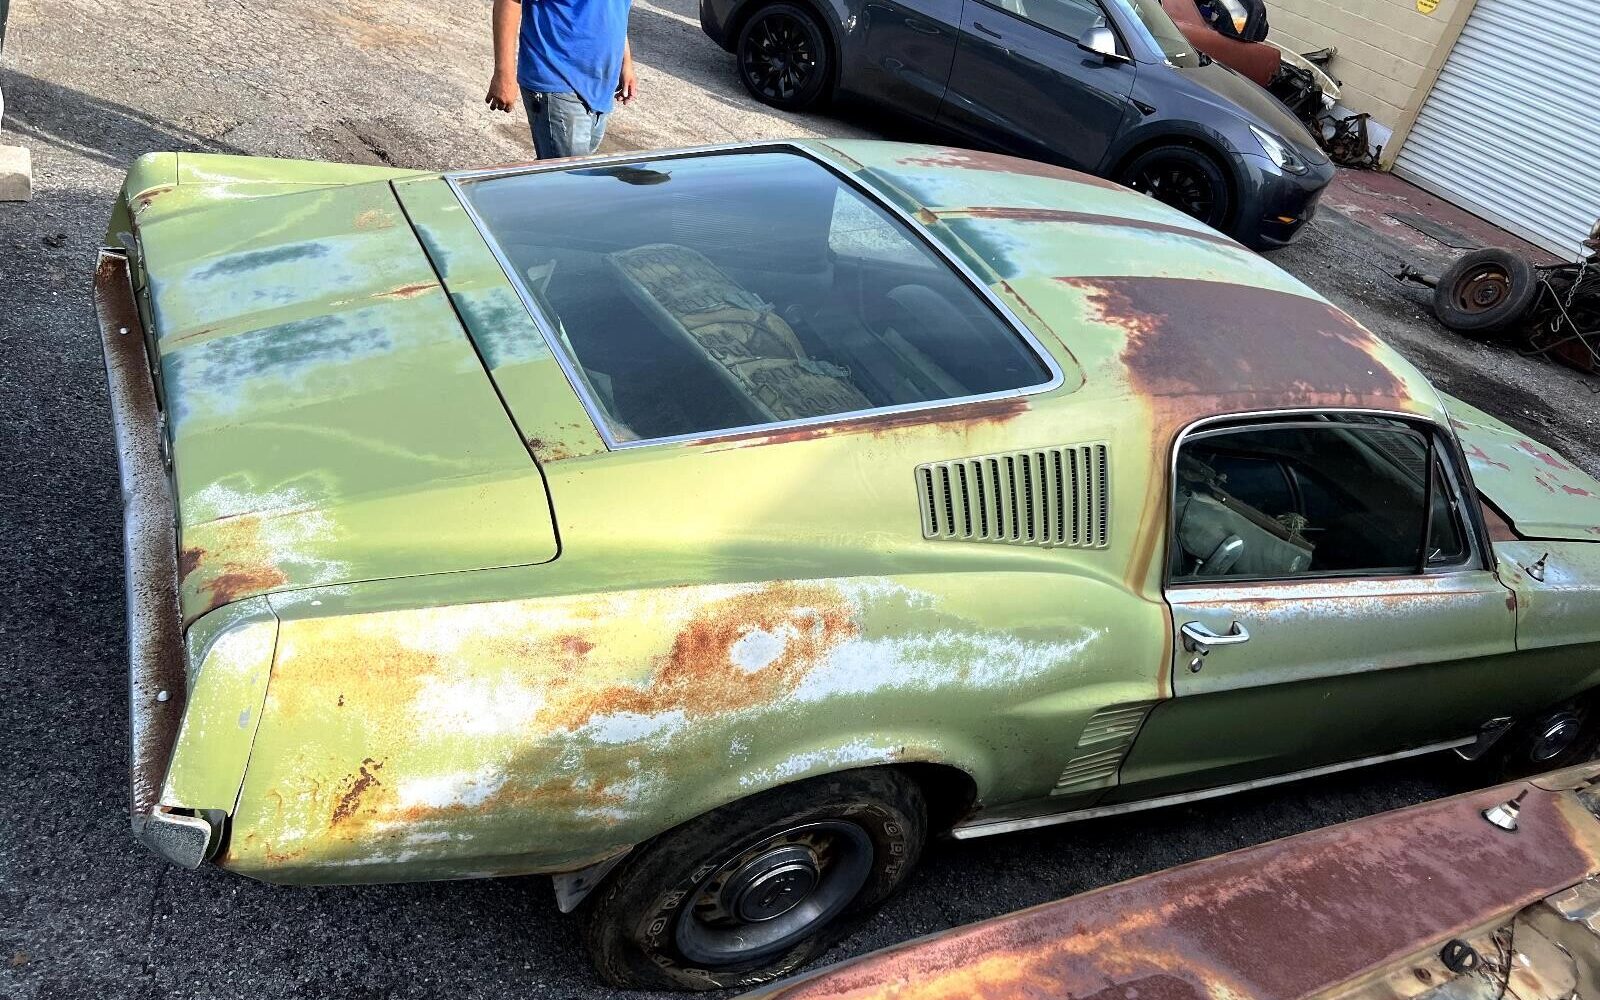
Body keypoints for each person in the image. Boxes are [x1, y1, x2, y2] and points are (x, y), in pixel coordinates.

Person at [485, 0, 637, 159]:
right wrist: (504, 74)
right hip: (557, 75)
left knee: (565, 176)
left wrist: (626, 63)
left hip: (600, 87)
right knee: (570, 178)